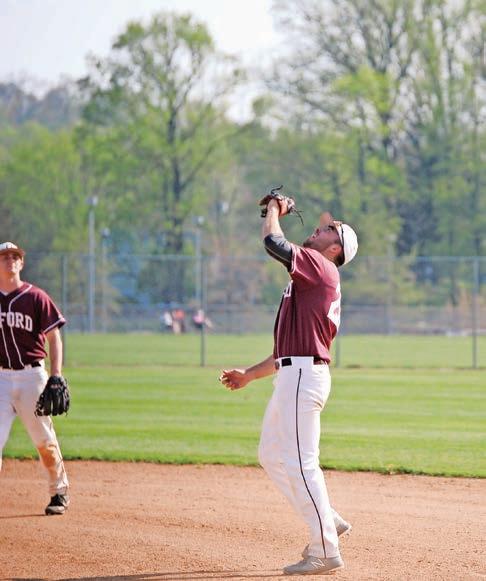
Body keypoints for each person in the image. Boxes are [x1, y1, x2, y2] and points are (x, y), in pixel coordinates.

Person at [219, 199, 358, 576]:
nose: (320, 227)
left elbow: (273, 243)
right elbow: (286, 351)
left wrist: (274, 210)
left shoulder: (320, 266)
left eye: (329, 229)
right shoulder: (313, 276)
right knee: (271, 454)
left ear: (335, 249)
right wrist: (249, 374)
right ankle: (327, 517)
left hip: (302, 377)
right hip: (294, 374)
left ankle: (325, 550)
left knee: (301, 462)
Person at [0, 242, 70, 516]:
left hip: (32, 377)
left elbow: (54, 337)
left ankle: (59, 492)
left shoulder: (36, 297)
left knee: (44, 439)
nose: (10, 260)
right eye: (4, 257)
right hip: (1, 379)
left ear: (21, 263)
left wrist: (56, 375)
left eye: (15, 257)